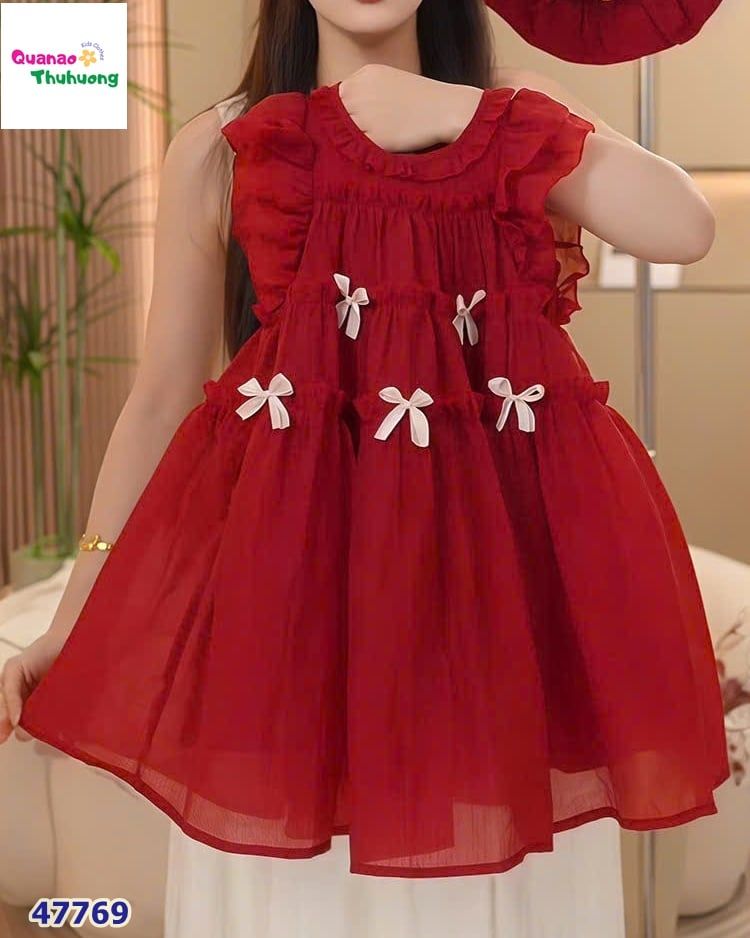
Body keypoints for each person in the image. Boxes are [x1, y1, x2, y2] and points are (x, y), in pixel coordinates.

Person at [1, 0, 730, 934]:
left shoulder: (513, 112)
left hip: (494, 618)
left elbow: (684, 227)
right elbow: (159, 400)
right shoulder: (225, 144)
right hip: (290, 612)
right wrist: (73, 616)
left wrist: (454, 108)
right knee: (295, 899)